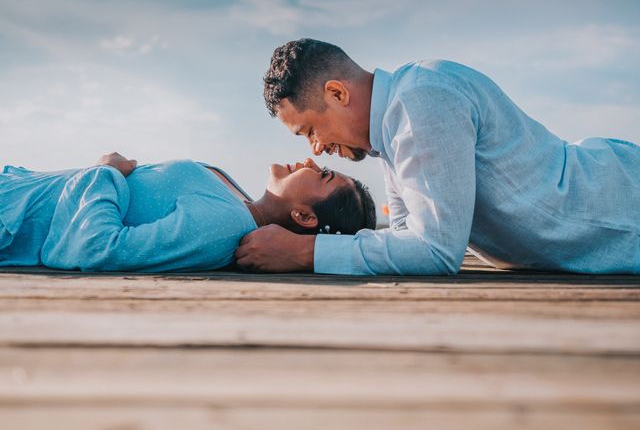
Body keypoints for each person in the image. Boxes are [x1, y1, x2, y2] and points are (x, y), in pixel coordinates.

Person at [235, 38, 640, 275]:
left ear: (337, 94)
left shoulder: (421, 103)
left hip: (621, 204)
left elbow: (436, 251)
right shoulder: (391, 132)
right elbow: (408, 234)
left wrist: (302, 252)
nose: (316, 149)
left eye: (309, 130)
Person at [0, 152, 376, 272]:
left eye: (324, 174)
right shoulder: (236, 201)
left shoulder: (221, 226)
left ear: (305, 218)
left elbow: (98, 248)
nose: (310, 159)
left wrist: (106, 172)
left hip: (11, 217)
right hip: (16, 188)